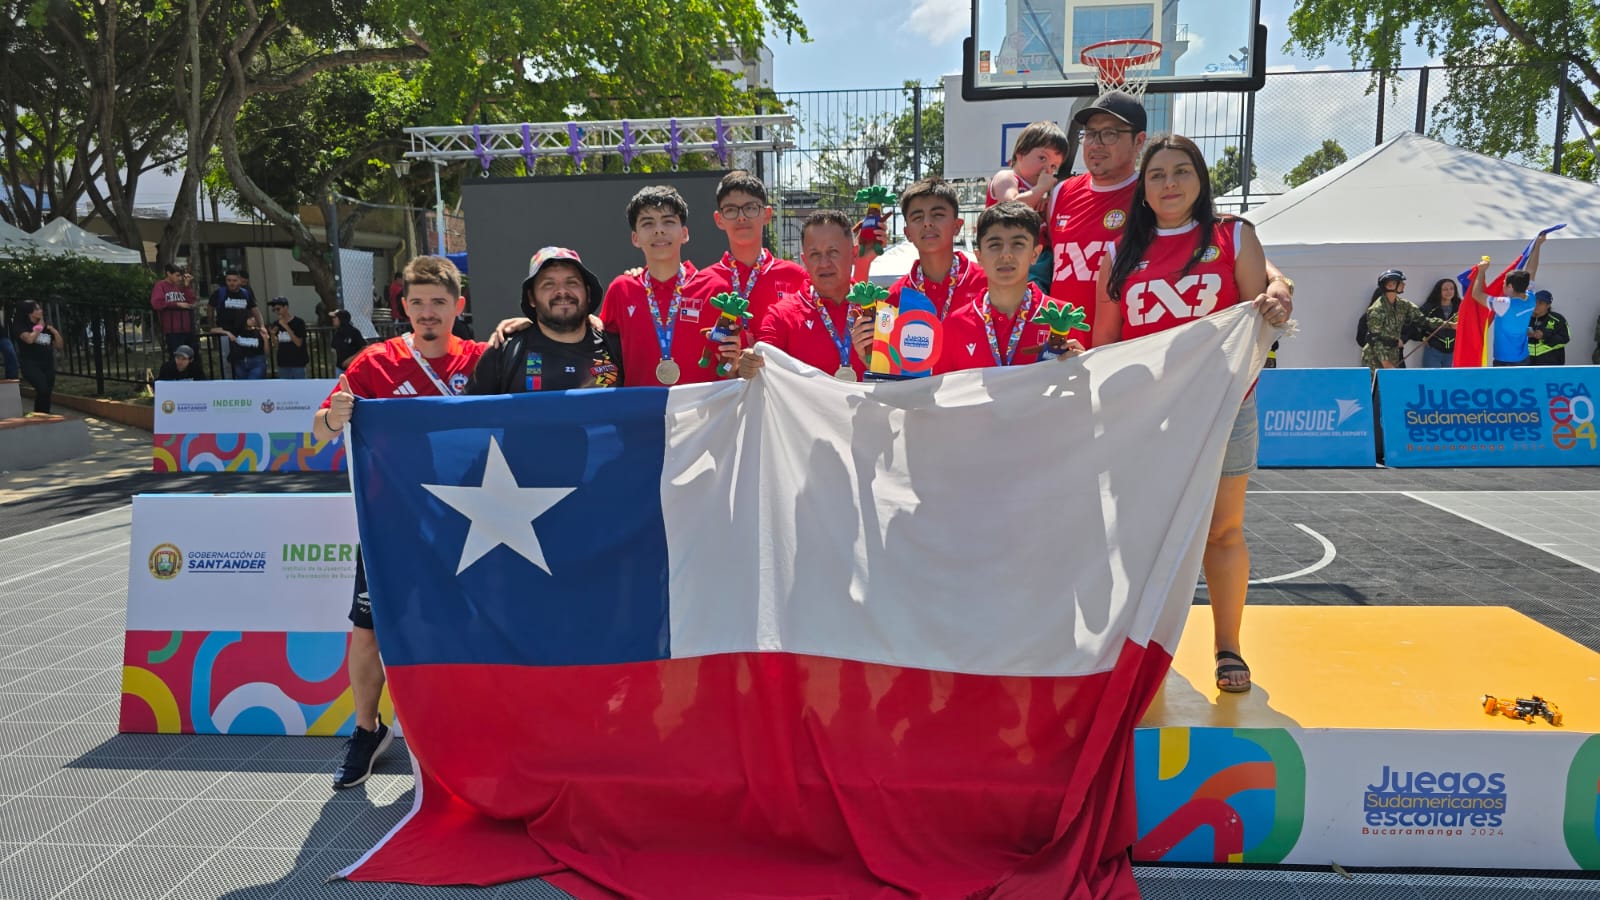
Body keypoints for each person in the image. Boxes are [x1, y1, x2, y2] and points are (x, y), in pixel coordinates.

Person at [1090, 134, 1290, 694]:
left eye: (1181, 171)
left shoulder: (1232, 236)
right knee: (1139, 534)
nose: (1170, 183)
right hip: (1147, 418)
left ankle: (1229, 647)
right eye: (1157, 175)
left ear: (1201, 179)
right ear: (1143, 188)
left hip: (1225, 409)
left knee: (1223, 532)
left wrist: (1278, 294)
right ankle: (1139, 650)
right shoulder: (1120, 253)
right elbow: (1106, 343)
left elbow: (1261, 320)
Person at [313, 255, 486, 789]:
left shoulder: (485, 359)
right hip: (392, 525)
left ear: (458, 306)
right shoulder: (373, 364)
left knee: (469, 630)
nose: (428, 313)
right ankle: (368, 729)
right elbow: (320, 430)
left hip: (472, 526)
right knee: (369, 632)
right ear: (404, 307)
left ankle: (471, 732)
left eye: (439, 303)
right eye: (418, 303)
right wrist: (332, 416)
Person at [1046, 92, 1294, 348]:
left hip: (1164, 359)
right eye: (1090, 133)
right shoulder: (1060, 194)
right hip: (1070, 353)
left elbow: (1224, 241)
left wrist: (1278, 280)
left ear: (1138, 141)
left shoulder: (1161, 193)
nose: (1096, 143)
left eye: (1109, 134)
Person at [936, 201, 1084, 373]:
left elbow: (1076, 393)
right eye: (995, 245)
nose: (1006, 254)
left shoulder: (1063, 316)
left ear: (1035, 254)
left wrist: (1080, 369)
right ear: (979, 256)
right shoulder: (954, 326)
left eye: (1018, 244)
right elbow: (942, 396)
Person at [599, 185, 721, 387]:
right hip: (640, 414)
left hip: (701, 415)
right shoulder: (622, 289)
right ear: (635, 238)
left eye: (668, 221)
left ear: (684, 233)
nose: (659, 229)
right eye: (648, 223)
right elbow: (600, 348)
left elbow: (733, 361)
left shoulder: (714, 289)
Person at [735, 211, 870, 381]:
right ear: (804, 260)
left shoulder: (878, 309)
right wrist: (748, 363)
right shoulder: (782, 316)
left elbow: (904, 374)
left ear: (854, 254)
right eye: (815, 255)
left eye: (833, 252)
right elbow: (762, 360)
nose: (824, 263)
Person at [468, 247, 624, 393]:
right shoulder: (505, 353)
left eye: (572, 282)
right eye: (548, 284)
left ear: (588, 293)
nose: (562, 291)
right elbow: (468, 415)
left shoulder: (616, 349)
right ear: (531, 297)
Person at [697, 170, 810, 337]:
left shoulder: (796, 277)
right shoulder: (702, 283)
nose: (741, 217)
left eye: (750, 208)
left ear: (767, 214)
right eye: (731, 210)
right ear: (719, 219)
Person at [1468, 232, 1547, 367]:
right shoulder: (1530, 298)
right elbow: (1532, 270)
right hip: (1523, 357)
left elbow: (1476, 294)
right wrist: (1538, 245)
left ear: (1510, 286)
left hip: (1504, 360)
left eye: (1504, 282)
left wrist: (1481, 271)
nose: (1502, 285)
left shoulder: (1504, 304)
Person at [1360, 270, 1443, 371]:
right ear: (1390, 286)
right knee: (1377, 386)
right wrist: (1385, 363)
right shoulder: (1377, 310)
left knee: (1392, 385)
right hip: (1376, 359)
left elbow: (1422, 320)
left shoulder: (1403, 305)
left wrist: (1450, 325)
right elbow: (1374, 339)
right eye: (1401, 282)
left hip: (1393, 355)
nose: (1404, 284)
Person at [986, 121, 1069, 211]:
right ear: (1021, 154)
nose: (1047, 169)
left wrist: (1045, 207)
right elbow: (1010, 208)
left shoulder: (1035, 192)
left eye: (1053, 166)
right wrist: (1040, 189)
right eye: (1042, 158)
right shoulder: (1006, 177)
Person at [9, 301, 63, 416]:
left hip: (47, 364)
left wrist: (54, 331)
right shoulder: (21, 326)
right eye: (37, 309)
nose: (41, 311)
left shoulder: (47, 326)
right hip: (30, 364)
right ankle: (38, 415)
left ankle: (43, 415)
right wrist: (39, 327)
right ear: (29, 313)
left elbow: (59, 346)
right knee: (42, 388)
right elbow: (29, 339)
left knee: (46, 392)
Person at [150, 263, 201, 367]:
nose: (180, 278)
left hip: (187, 327)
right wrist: (176, 304)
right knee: (176, 356)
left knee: (192, 355)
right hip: (172, 328)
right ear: (169, 273)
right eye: (177, 275)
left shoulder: (180, 287)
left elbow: (191, 301)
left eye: (180, 276)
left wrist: (187, 286)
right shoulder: (160, 285)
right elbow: (156, 303)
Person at [210, 269, 257, 368]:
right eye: (229, 280)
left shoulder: (246, 293)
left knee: (244, 360)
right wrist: (212, 326)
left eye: (234, 280)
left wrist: (261, 325)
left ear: (239, 280)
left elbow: (255, 310)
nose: (231, 283)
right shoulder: (219, 293)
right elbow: (210, 309)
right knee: (227, 362)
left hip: (243, 332)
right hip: (225, 333)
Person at [1416, 278, 1460, 368]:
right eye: (1445, 289)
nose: (1449, 292)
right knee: (1432, 379)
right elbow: (1416, 321)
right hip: (1433, 350)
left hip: (1454, 351)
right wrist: (1421, 337)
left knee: (1450, 379)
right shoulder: (1430, 307)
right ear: (1439, 291)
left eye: (1452, 289)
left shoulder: (1460, 306)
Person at [215, 308, 269, 379]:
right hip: (240, 363)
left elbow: (267, 352)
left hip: (256, 362)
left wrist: (265, 339)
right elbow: (213, 330)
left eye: (254, 317)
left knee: (254, 384)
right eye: (250, 318)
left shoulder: (259, 332)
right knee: (243, 386)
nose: (253, 319)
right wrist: (228, 333)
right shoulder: (236, 331)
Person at [269, 297, 310, 378]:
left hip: (297, 363)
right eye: (274, 310)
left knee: (299, 387)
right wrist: (273, 335)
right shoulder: (276, 324)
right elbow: (277, 346)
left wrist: (286, 326)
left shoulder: (298, 322)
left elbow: (298, 343)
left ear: (286, 307)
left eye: (278, 309)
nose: (277, 312)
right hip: (283, 363)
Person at [1526, 290, 1569, 366]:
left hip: (1551, 365)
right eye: (1535, 301)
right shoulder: (1524, 318)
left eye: (1541, 303)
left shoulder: (1557, 319)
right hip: (1526, 364)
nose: (1536, 305)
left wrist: (1544, 335)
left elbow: (1566, 338)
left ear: (1548, 305)